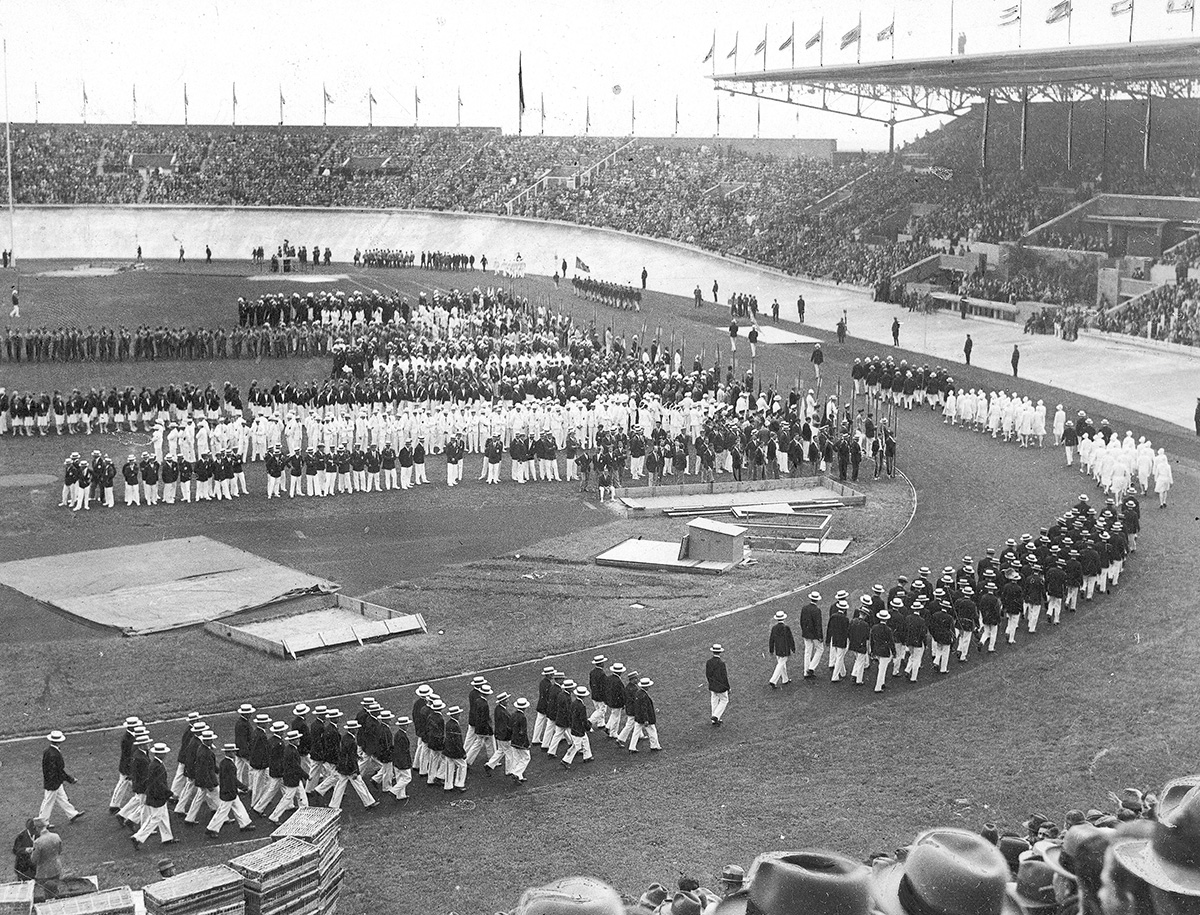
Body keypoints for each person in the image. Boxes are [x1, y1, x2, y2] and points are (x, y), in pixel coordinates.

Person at [206, 743, 255, 837]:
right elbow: (233, 779)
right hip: (229, 792)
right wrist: (244, 787)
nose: (234, 753)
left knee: (239, 807)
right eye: (233, 751)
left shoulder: (224, 762)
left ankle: (245, 824)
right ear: (228, 752)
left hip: (228, 791)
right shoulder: (229, 764)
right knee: (222, 812)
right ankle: (211, 828)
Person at [131, 742, 174, 849]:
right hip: (157, 796)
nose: (165, 755)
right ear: (160, 754)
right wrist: (169, 794)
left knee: (164, 816)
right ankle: (138, 837)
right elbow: (159, 784)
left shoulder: (154, 764)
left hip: (155, 795)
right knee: (155, 818)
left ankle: (167, 837)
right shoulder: (157, 766)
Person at [40, 730, 83, 825]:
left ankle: (72, 814)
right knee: (48, 802)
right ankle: (42, 822)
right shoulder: (54, 753)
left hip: (54, 781)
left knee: (62, 798)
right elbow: (58, 771)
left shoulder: (48, 751)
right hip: (54, 782)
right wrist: (70, 779)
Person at [29, 819, 63, 891]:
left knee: (45, 892)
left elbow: (34, 860)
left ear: (37, 828)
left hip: (44, 873)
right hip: (56, 868)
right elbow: (60, 850)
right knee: (56, 889)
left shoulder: (38, 842)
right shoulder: (56, 836)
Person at [767, 610, 795, 688]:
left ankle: (785, 679)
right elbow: (790, 638)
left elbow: (771, 639)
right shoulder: (786, 628)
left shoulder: (774, 628)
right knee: (781, 664)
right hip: (785, 649)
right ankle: (773, 680)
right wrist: (793, 648)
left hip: (778, 649)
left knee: (781, 664)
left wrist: (771, 650)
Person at [705, 644, 729, 726]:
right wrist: (728, 687)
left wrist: (711, 683)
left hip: (712, 685)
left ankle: (714, 720)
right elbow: (724, 677)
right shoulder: (721, 663)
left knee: (714, 701)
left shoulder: (709, 662)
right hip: (721, 686)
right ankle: (716, 716)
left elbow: (708, 675)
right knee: (724, 700)